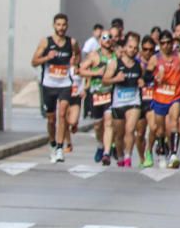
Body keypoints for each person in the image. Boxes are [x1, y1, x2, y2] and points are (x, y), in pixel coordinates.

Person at [31, 13, 78, 163]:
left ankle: (59, 147)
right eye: (58, 25)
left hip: (65, 84)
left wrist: (74, 62)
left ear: (67, 26)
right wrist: (47, 57)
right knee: (51, 119)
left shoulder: (72, 42)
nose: (61, 28)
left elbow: (77, 56)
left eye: (64, 25)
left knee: (62, 113)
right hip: (49, 84)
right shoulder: (46, 42)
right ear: (54, 25)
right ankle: (52, 143)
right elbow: (34, 62)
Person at [102, 33, 142, 168]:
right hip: (118, 102)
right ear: (125, 48)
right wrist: (116, 79)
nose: (133, 50)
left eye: (135, 48)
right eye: (130, 47)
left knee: (130, 130)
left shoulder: (139, 65)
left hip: (134, 102)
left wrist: (142, 82)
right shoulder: (115, 63)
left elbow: (143, 80)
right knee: (119, 135)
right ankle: (119, 156)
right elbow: (105, 80)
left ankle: (128, 157)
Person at [78, 31, 117, 165]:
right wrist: (95, 72)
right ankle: (100, 145)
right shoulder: (94, 55)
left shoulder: (116, 55)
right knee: (97, 125)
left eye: (109, 37)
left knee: (109, 122)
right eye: (104, 37)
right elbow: (81, 70)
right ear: (100, 40)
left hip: (110, 93)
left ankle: (107, 153)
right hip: (96, 94)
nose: (107, 40)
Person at [148, 30, 180, 168]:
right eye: (163, 43)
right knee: (160, 129)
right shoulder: (155, 59)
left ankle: (174, 154)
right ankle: (162, 151)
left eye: (169, 42)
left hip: (175, 95)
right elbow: (146, 76)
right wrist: (156, 77)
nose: (166, 46)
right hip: (159, 96)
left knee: (174, 121)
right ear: (159, 44)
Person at [135, 36, 157, 167]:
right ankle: (142, 158)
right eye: (145, 49)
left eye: (151, 50)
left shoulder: (157, 62)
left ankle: (149, 152)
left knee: (153, 127)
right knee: (140, 133)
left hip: (153, 100)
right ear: (141, 49)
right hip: (139, 101)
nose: (148, 52)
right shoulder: (136, 62)